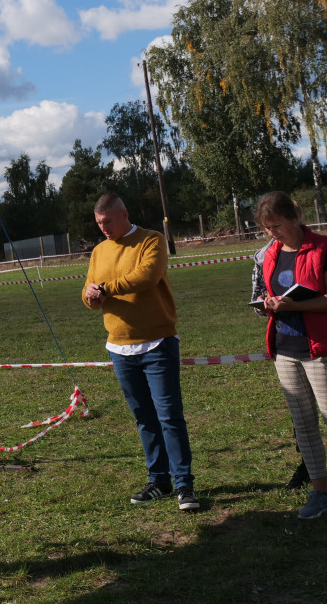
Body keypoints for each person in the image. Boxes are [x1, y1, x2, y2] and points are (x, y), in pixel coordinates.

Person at [252, 191, 327, 523]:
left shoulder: (326, 248)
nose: (273, 233)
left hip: (321, 350)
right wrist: (267, 304)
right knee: (304, 426)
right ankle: (321, 493)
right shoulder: (270, 254)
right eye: (266, 228)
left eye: (277, 226)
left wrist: (294, 305)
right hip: (285, 351)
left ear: (295, 217)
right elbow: (267, 293)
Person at [81, 193, 199, 511]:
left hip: (157, 342)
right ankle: (159, 480)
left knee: (169, 417)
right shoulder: (99, 251)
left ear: (124, 214)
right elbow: (89, 287)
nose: (103, 228)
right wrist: (90, 296)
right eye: (99, 224)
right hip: (118, 347)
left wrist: (105, 288)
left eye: (107, 222)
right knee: (144, 419)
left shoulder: (152, 240)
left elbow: (147, 277)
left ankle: (184, 485)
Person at [252, 238, 310, 490]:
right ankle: (308, 465)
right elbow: (255, 298)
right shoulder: (262, 256)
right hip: (286, 343)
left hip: (321, 341)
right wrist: (264, 305)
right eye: (269, 226)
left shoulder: (318, 248)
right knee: (301, 412)